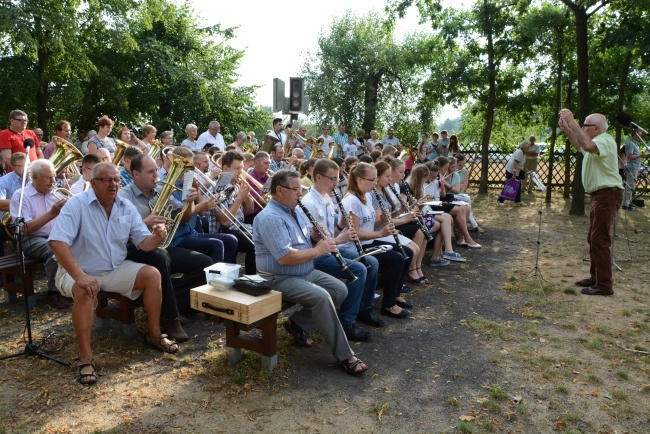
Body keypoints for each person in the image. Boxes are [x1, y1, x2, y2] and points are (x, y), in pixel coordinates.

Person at [49, 163, 180, 385]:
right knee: (84, 290)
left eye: (117, 180)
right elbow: (57, 241)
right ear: (93, 183)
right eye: (107, 180)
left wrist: (158, 237)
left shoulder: (125, 206)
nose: (114, 184)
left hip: (113, 269)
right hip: (77, 269)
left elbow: (144, 243)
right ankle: (85, 358)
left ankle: (155, 335)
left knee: (153, 274)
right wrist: (80, 275)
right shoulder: (76, 204)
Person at [253, 169, 368, 374]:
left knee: (340, 290)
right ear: (279, 190)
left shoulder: (296, 210)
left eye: (301, 189)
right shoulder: (270, 217)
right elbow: (285, 257)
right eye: (296, 190)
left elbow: (306, 241)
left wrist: (316, 236)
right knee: (322, 297)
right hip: (278, 277)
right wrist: (318, 250)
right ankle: (345, 355)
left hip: (303, 271)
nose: (300, 194)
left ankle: (297, 323)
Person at [118, 155, 215, 315]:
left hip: (160, 246)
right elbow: (118, 234)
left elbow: (185, 217)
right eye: (150, 172)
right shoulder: (123, 196)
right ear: (136, 174)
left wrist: (189, 201)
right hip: (134, 250)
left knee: (205, 264)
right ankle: (170, 313)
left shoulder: (160, 190)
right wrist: (144, 224)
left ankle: (168, 304)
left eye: (156, 170)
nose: (156, 176)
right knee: (161, 257)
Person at [303, 159, 383, 341]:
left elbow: (331, 233)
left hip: (332, 248)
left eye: (337, 179)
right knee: (359, 269)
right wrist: (341, 238)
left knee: (371, 262)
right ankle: (347, 321)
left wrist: (340, 225)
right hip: (316, 256)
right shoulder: (309, 203)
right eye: (332, 179)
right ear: (318, 177)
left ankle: (363, 308)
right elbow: (312, 243)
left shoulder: (327, 199)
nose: (336, 184)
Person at [558, 109, 623, 296]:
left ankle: (604, 285)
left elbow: (585, 145)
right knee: (593, 238)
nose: (583, 128)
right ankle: (595, 278)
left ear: (596, 128)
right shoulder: (595, 143)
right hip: (599, 196)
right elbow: (580, 146)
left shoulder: (605, 140)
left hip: (607, 194)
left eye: (585, 125)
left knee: (600, 240)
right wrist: (568, 130)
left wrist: (571, 121)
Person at [343, 162, 413, 319]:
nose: (375, 183)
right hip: (355, 247)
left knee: (406, 252)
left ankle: (393, 294)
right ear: (360, 180)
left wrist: (382, 221)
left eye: (376, 179)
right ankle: (388, 305)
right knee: (396, 259)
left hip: (368, 241)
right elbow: (355, 234)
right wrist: (381, 234)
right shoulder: (351, 200)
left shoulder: (366, 196)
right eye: (372, 180)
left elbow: (369, 224)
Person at [10, 159, 69, 309]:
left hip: (56, 235)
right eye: (49, 177)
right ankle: (53, 292)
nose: (54, 181)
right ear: (35, 177)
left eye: (54, 176)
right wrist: (52, 213)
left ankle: (73, 286)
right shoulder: (21, 195)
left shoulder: (57, 193)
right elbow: (25, 228)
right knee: (54, 249)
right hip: (31, 239)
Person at [207, 151, 256, 274]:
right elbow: (225, 222)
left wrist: (247, 196)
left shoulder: (236, 184)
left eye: (241, 168)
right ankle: (250, 279)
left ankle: (251, 278)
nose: (241, 172)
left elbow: (250, 210)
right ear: (225, 168)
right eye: (237, 168)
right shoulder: (218, 188)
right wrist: (239, 198)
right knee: (254, 244)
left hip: (239, 227)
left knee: (262, 236)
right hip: (223, 231)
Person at [0, 152, 28, 257]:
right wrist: (24, 202)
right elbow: (0, 204)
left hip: (27, 219)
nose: (26, 168)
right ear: (13, 167)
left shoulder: (33, 180)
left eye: (28, 165)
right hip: (6, 223)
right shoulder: (3, 181)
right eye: (21, 166)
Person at [497, 141, 530, 206]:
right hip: (511, 171)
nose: (529, 148)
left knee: (518, 186)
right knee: (509, 186)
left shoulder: (522, 152)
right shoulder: (520, 152)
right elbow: (514, 163)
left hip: (515, 171)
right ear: (525, 147)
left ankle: (518, 201)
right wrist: (514, 174)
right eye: (529, 146)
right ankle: (500, 201)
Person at [622, 130, 646, 210]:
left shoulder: (634, 144)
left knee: (631, 186)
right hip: (632, 167)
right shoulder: (631, 144)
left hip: (635, 167)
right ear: (633, 134)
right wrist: (640, 155)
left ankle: (627, 202)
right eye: (639, 135)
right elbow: (629, 157)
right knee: (630, 185)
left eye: (641, 135)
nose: (640, 137)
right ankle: (625, 204)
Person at [244, 151, 271, 223]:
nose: (268, 166)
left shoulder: (267, 177)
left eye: (269, 163)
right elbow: (263, 201)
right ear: (256, 163)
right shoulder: (250, 179)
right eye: (265, 163)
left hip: (266, 214)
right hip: (254, 217)